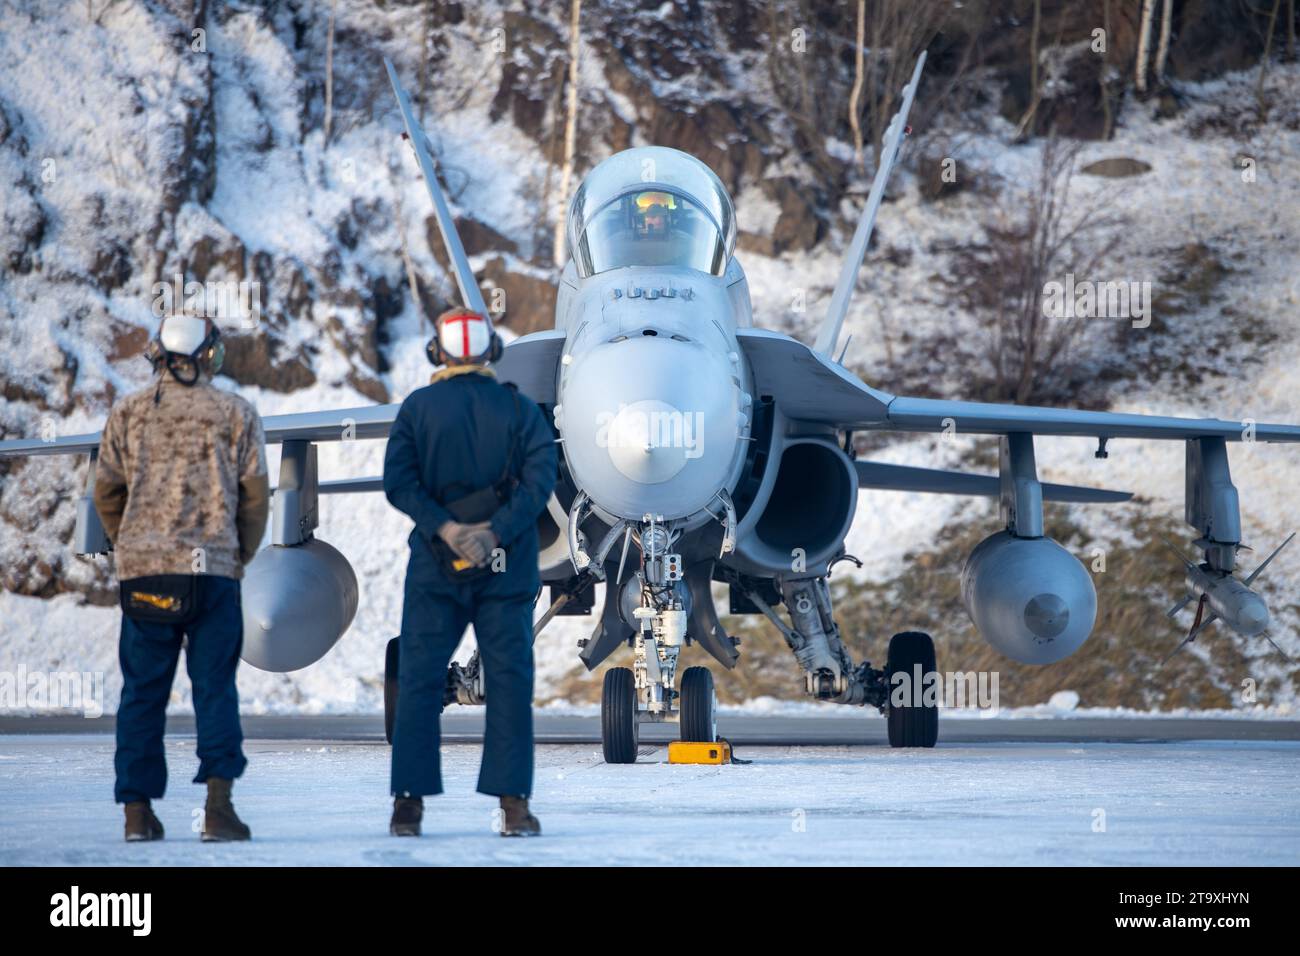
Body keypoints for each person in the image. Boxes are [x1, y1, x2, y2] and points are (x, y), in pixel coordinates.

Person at [93, 313, 269, 842]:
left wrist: (130, 546)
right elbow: (256, 499)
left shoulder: (126, 412)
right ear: (208, 355)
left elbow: (105, 492)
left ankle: (137, 815)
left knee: (142, 694)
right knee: (215, 689)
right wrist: (237, 556)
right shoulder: (236, 413)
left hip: (144, 575)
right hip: (212, 574)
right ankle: (219, 810)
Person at [383, 308, 557, 838]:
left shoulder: (417, 409)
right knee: (508, 685)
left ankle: (408, 809)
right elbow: (540, 481)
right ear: (491, 351)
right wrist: (493, 532)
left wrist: (446, 528)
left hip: (436, 571)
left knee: (419, 682)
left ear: (438, 352)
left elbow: (399, 483)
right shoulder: (522, 411)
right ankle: (513, 809)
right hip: (505, 572)